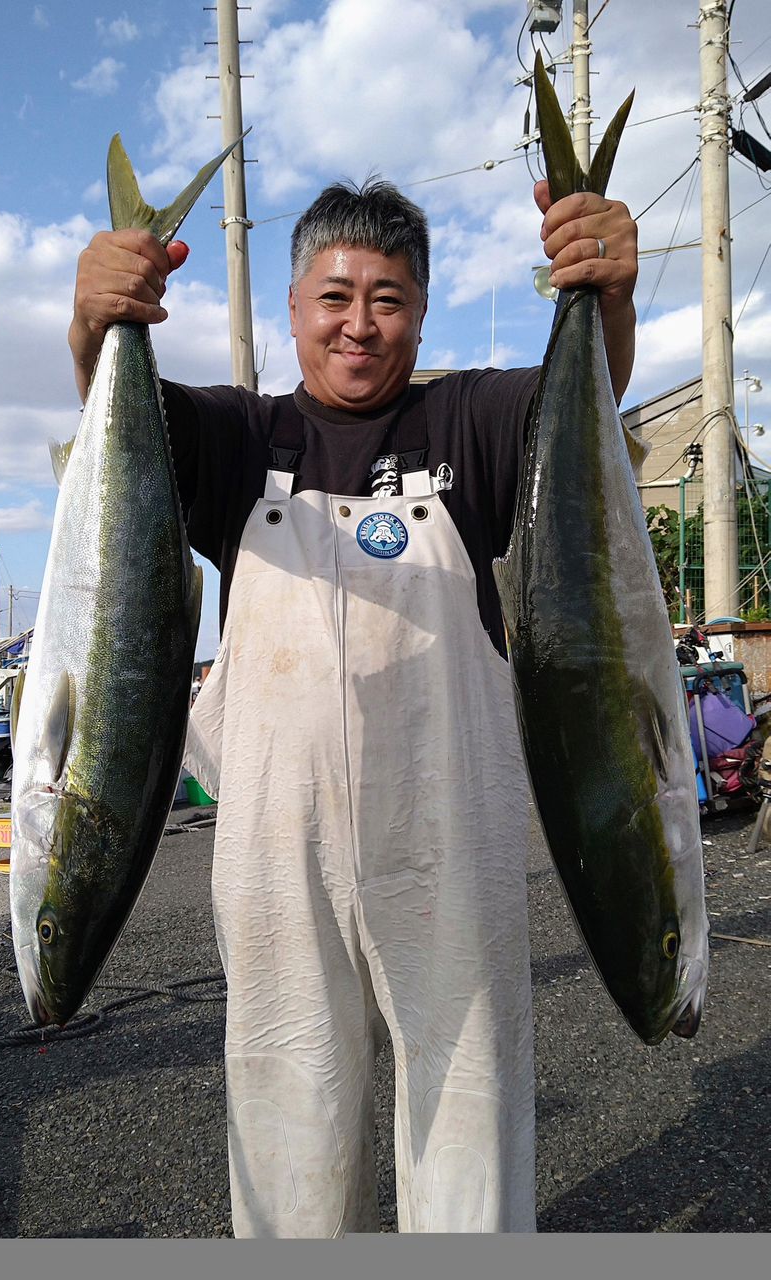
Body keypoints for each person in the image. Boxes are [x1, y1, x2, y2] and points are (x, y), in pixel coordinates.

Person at [69, 175, 638, 1236]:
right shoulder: (239, 437)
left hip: (448, 834)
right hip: (274, 845)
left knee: (468, 1104)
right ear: (294, 308)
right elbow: (118, 423)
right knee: (288, 1096)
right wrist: (94, 319)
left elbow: (588, 401)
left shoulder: (473, 417)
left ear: (420, 312)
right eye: (336, 297)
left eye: (390, 298)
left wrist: (604, 296)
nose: (360, 324)